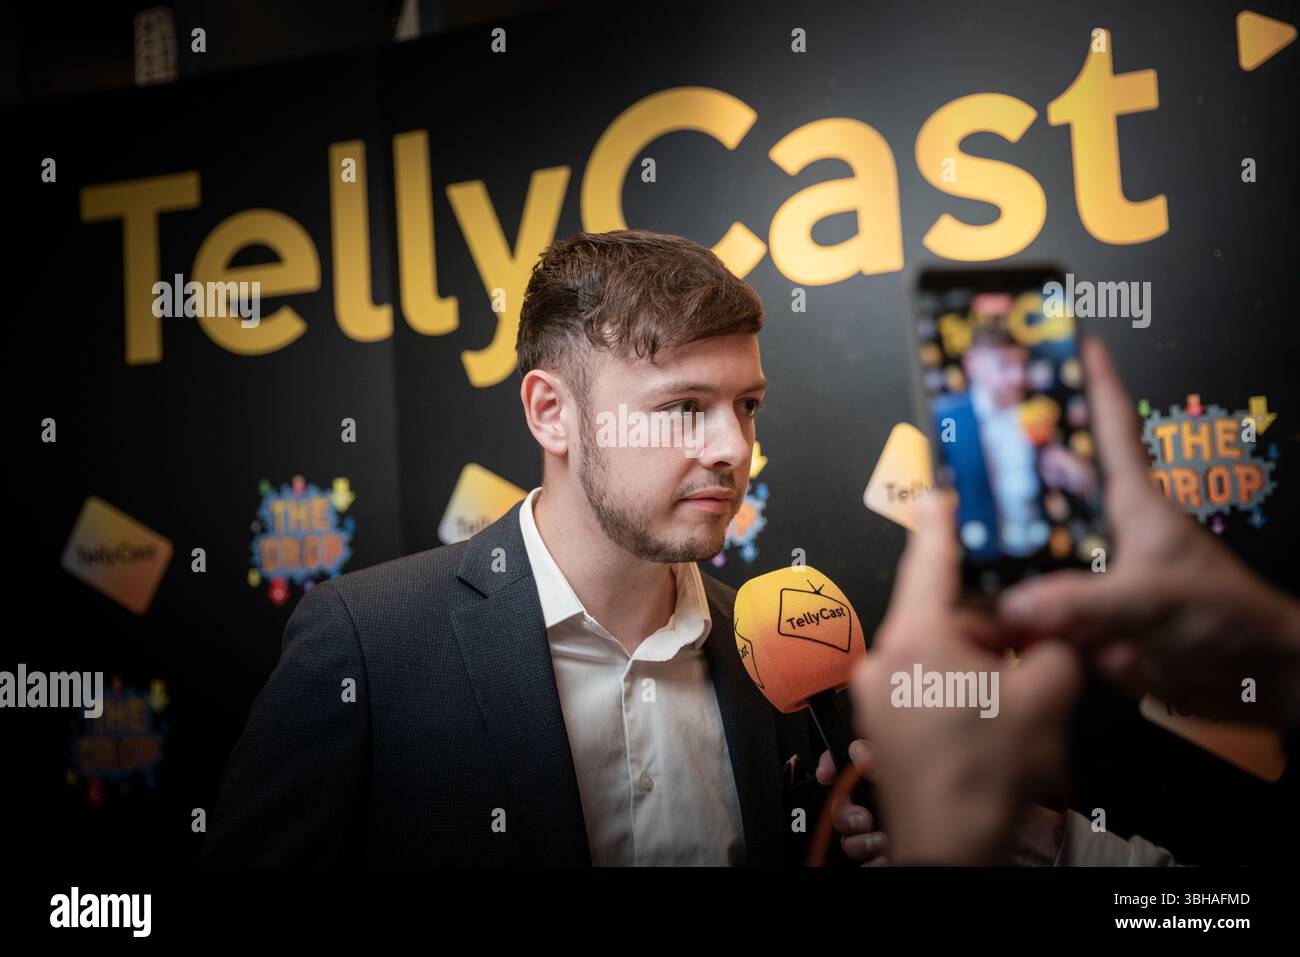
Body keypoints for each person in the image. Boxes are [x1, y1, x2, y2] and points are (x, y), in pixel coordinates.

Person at [201, 230, 829, 866]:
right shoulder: (367, 644)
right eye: (684, 407)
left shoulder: (774, 649)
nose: (734, 447)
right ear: (552, 412)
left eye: (747, 405)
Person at [822, 337, 1300, 865]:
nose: (1013, 378)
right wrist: (1024, 837)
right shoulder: (957, 420)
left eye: (1018, 367)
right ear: (974, 364)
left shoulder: (1035, 425)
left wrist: (942, 848)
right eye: (1001, 366)